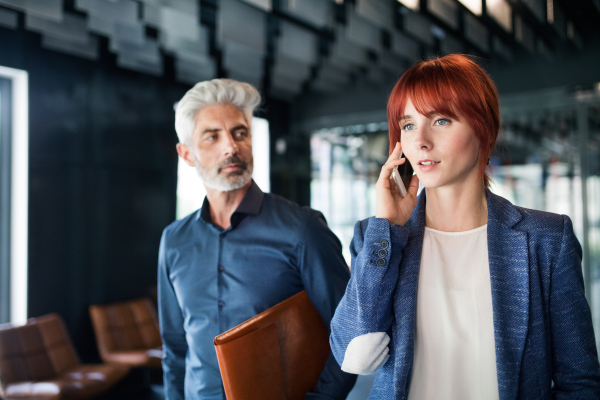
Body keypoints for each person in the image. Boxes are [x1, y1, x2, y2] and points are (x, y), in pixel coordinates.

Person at [330, 54, 600, 399]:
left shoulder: (545, 239)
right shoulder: (377, 238)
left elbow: (580, 383)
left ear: (482, 127)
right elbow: (354, 356)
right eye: (408, 125)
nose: (420, 141)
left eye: (440, 121)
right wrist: (388, 227)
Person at [158, 78, 356, 400]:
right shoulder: (174, 240)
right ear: (187, 154)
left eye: (240, 133)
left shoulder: (302, 229)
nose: (231, 147)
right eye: (212, 136)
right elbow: (176, 346)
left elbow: (350, 328)